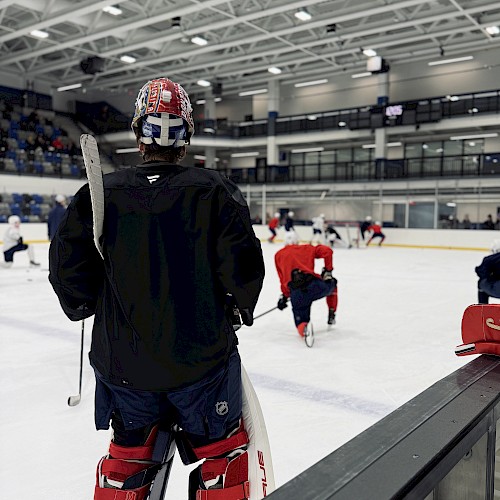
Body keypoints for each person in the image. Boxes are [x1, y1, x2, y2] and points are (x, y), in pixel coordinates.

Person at [48, 77, 266, 500]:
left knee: (129, 456)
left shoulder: (101, 194)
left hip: (123, 364)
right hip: (200, 362)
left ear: (138, 133)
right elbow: (243, 266)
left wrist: (85, 304)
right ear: (185, 139)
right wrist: (241, 306)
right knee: (223, 458)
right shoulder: (214, 191)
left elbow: (68, 269)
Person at [274, 231, 338, 337]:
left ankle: (304, 329)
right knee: (333, 286)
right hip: (315, 286)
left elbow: (283, 279)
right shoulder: (307, 248)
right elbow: (328, 251)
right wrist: (328, 271)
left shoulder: (278, 255)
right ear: (297, 241)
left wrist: (284, 297)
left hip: (297, 293)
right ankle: (332, 312)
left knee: (301, 322)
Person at [475, 239, 500, 304]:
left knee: (481, 283)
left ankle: (482, 308)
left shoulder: (490, 259)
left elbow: (482, 273)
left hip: (497, 288)